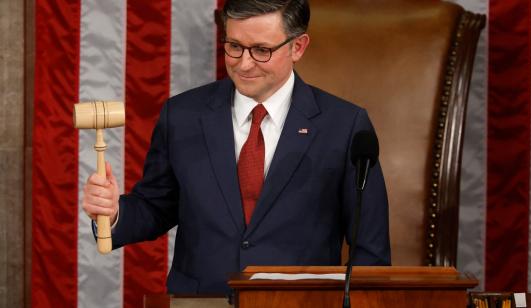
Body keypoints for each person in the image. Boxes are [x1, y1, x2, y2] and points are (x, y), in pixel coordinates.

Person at [82, 0, 390, 294]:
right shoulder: (183, 116)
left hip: (299, 302)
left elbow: (370, 252)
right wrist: (113, 212)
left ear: (298, 47)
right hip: (201, 302)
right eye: (234, 46)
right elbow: (156, 207)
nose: (244, 64)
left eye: (261, 50)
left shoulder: (344, 125)